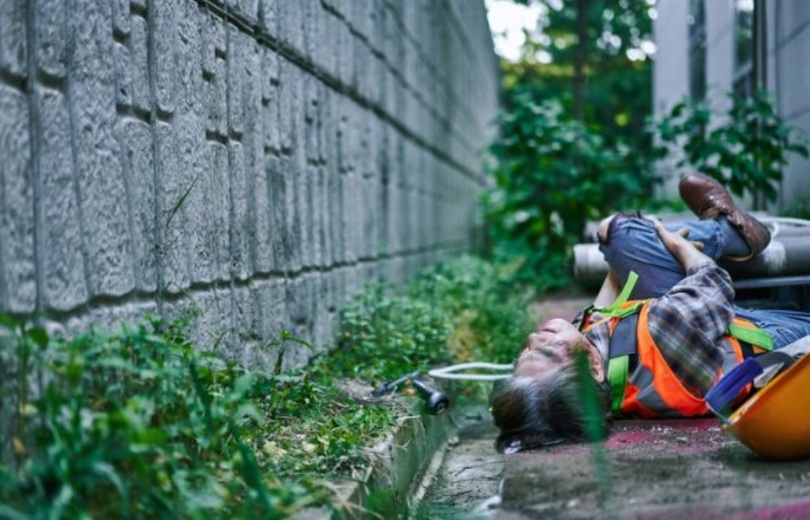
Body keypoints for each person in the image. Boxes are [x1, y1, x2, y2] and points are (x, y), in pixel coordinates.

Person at [490, 172, 810, 454]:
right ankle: (728, 233)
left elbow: (603, 308)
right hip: (775, 339)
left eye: (524, 353)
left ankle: (725, 233)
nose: (534, 336)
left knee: (613, 236)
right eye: (547, 348)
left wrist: (624, 262)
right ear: (593, 365)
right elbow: (714, 283)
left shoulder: (598, 381)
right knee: (623, 230)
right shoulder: (661, 329)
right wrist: (677, 246)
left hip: (691, 328)